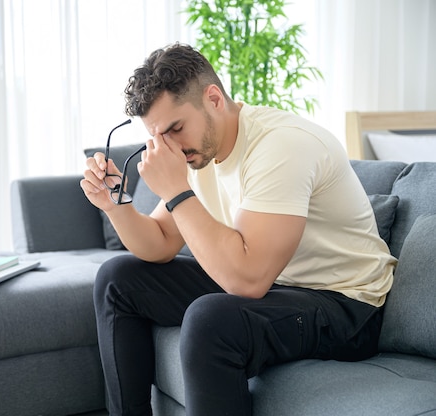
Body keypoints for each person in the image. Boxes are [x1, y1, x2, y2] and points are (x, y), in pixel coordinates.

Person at [80, 43, 396, 416]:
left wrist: (178, 191)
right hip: (280, 286)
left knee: (210, 319)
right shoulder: (202, 152)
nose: (172, 148)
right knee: (118, 278)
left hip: (346, 304)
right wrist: (114, 203)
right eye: (160, 137)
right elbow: (161, 243)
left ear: (213, 98)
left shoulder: (280, 145)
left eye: (176, 128)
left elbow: (248, 281)